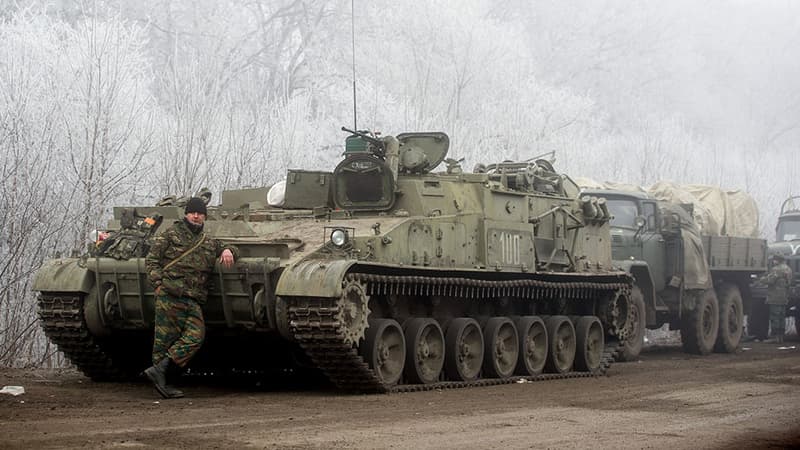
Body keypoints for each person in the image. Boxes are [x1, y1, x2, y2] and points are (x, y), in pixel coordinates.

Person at [144, 197, 238, 398]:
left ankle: (160, 372)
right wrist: (158, 285)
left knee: (196, 336)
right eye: (193, 212)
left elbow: (226, 247)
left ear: (204, 216)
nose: (196, 216)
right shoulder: (170, 235)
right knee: (164, 340)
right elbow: (152, 261)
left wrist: (228, 250)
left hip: (192, 298)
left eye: (200, 213)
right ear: (186, 214)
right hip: (170, 294)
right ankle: (164, 382)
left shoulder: (207, 241)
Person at [761, 253, 793, 344]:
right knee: (781, 317)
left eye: (775, 259)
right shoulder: (788, 269)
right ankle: (780, 337)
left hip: (775, 296)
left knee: (774, 317)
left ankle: (774, 337)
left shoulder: (776, 269)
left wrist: (761, 279)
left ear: (777, 260)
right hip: (784, 296)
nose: (774, 261)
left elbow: (769, 280)